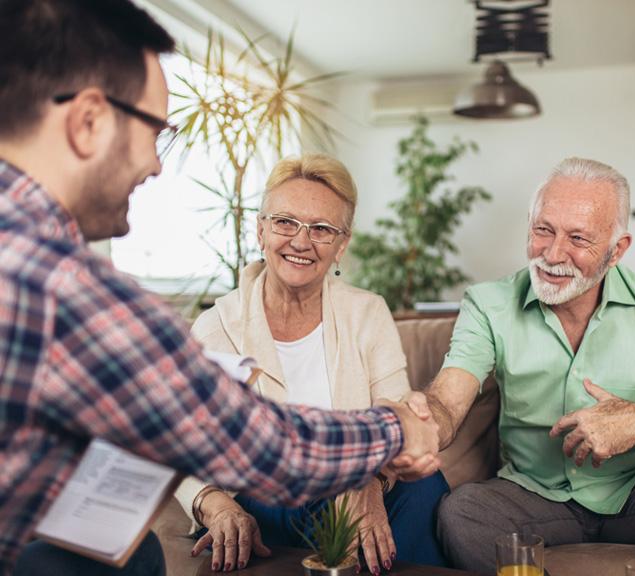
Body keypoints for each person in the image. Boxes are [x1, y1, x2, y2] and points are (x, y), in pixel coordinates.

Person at [0, 2, 439, 575]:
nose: (157, 165)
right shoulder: (58, 284)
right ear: (87, 122)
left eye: (322, 229)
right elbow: (263, 444)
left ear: (342, 241)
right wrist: (396, 429)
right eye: (155, 131)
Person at [401, 157, 635, 576]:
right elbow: (450, 398)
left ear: (617, 250)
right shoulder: (488, 304)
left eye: (578, 238)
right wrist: (423, 424)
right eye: (543, 230)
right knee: (462, 512)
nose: (553, 254)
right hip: (534, 498)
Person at [175, 154, 450, 573]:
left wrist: (371, 483)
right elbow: (179, 445)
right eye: (286, 222)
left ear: (341, 245)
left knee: (424, 485)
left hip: (347, 492)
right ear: (261, 229)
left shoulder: (368, 314)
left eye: (321, 229)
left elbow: (398, 423)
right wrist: (214, 505)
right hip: (263, 505)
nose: (301, 242)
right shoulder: (216, 328)